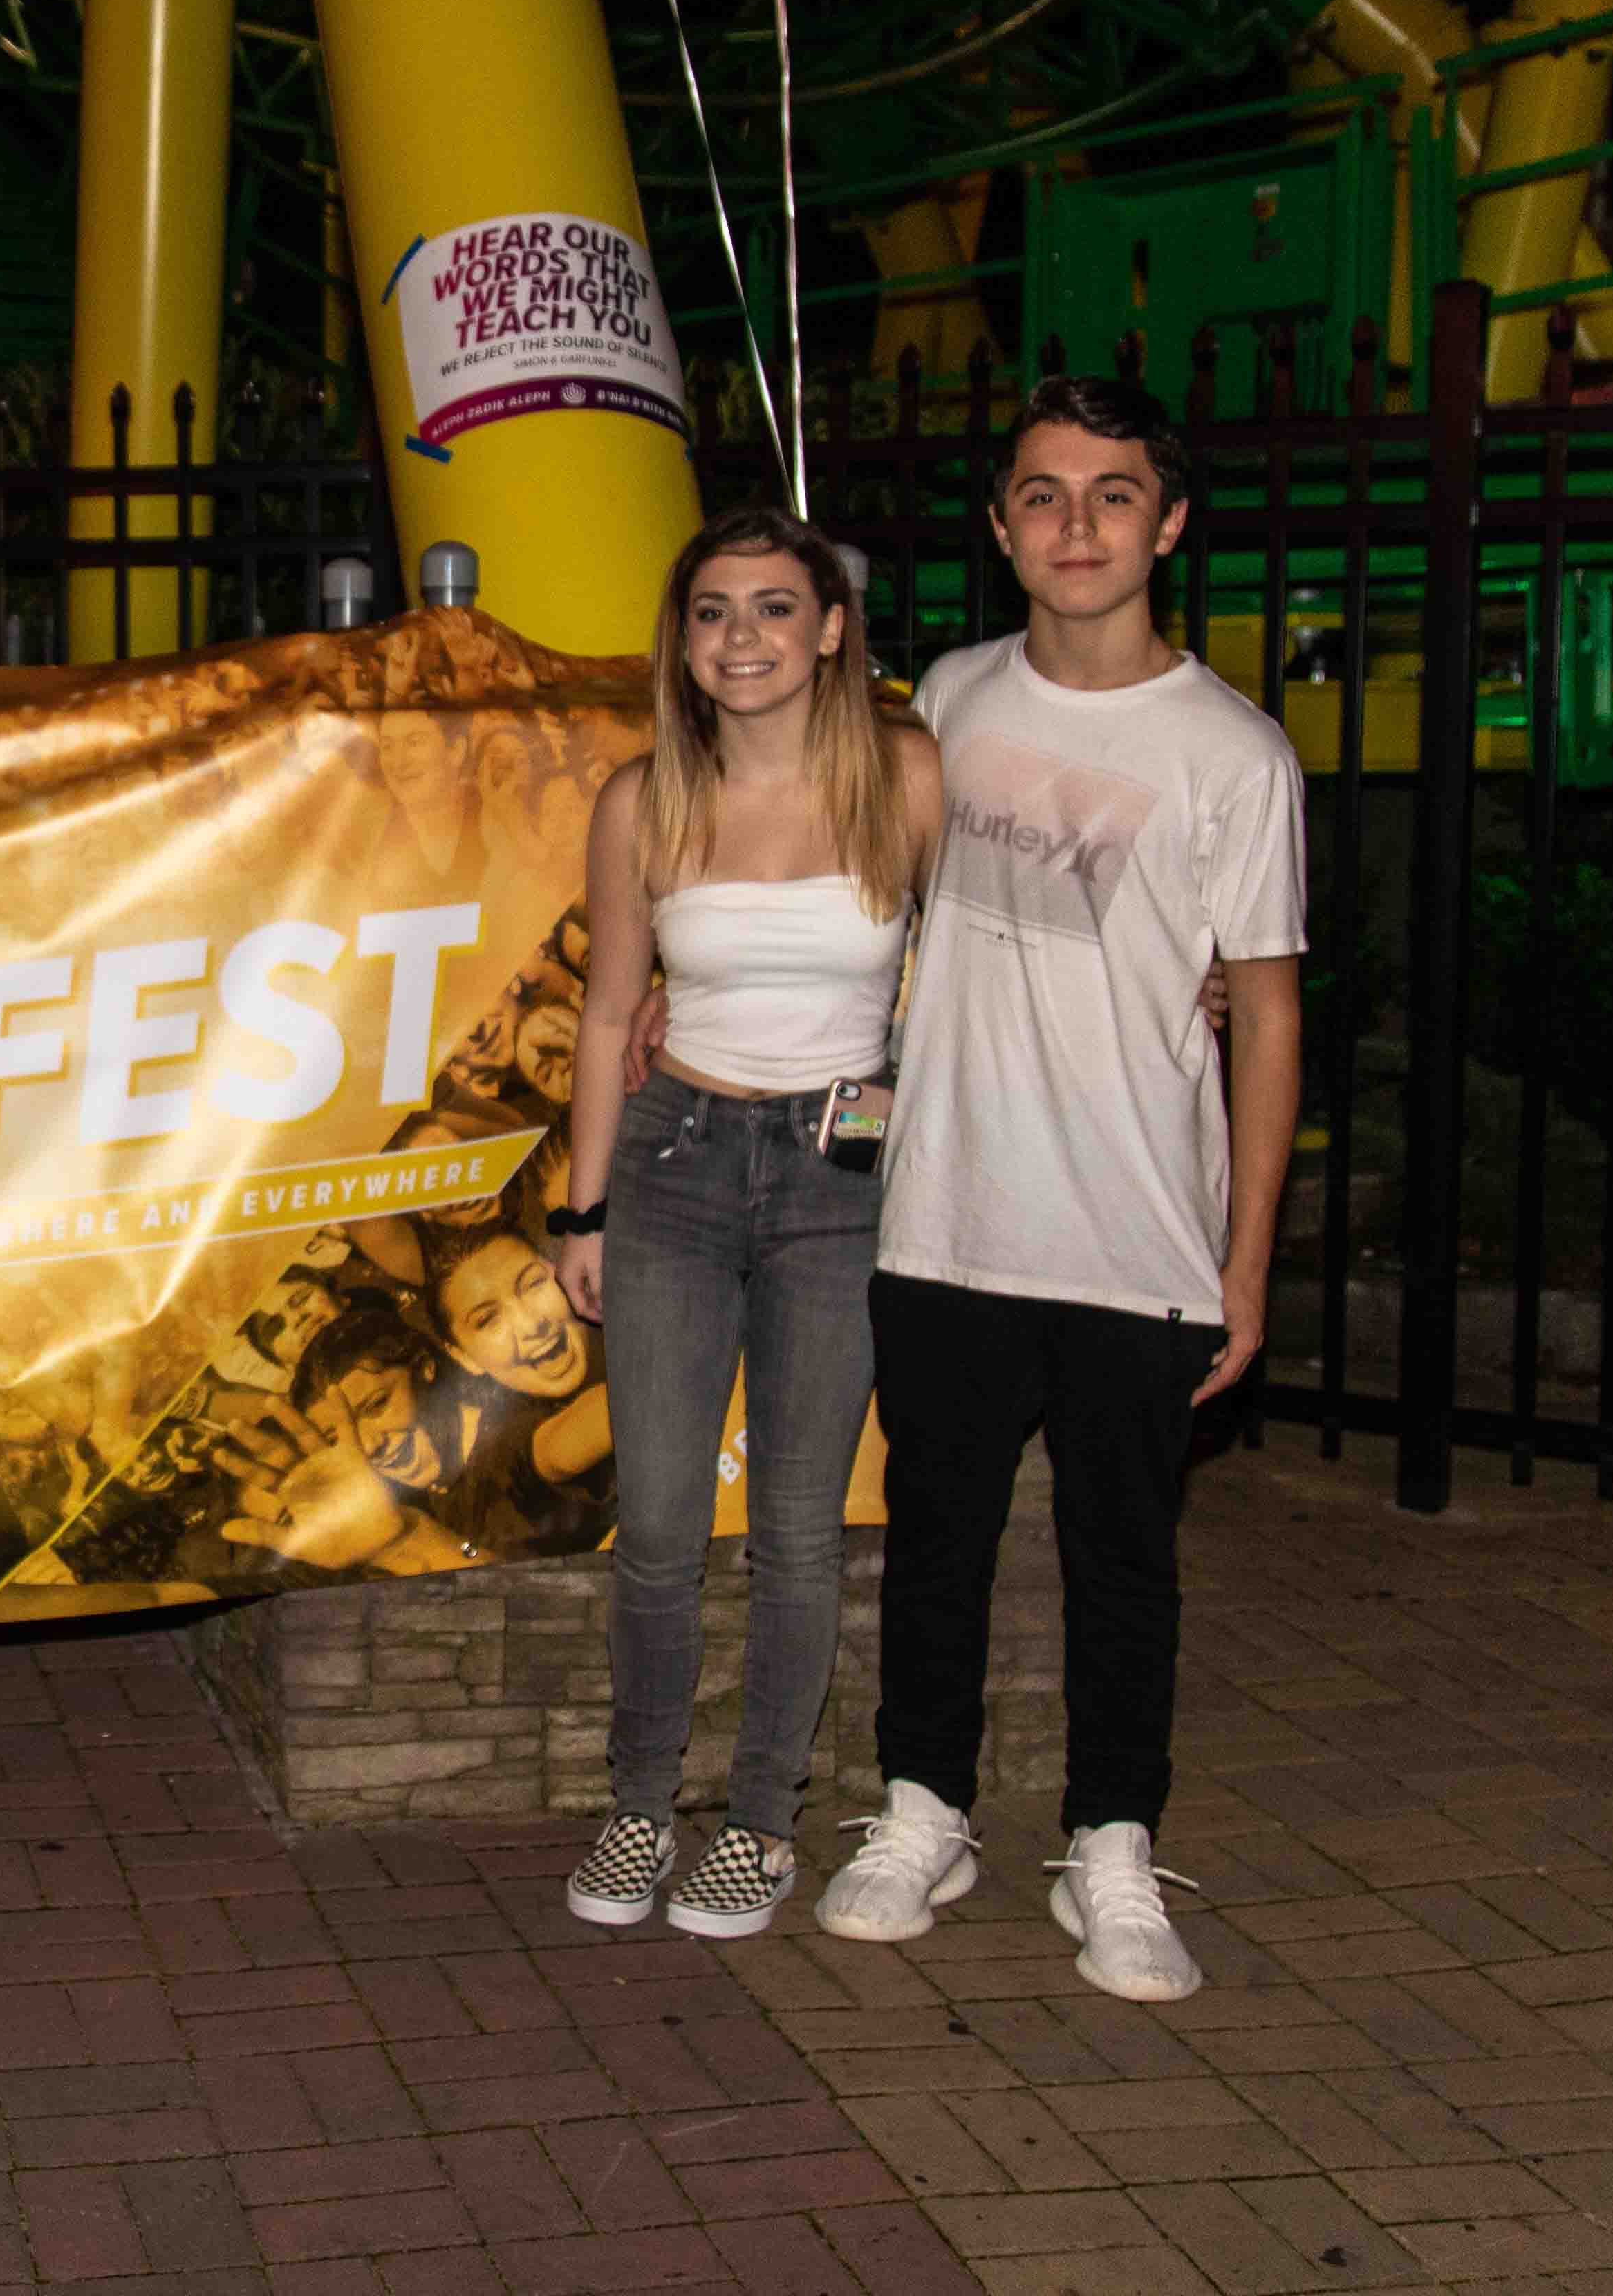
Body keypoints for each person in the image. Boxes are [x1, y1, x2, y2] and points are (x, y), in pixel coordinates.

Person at [810, 375, 1305, 2003]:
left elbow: (1268, 1011)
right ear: (1002, 525)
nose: (1076, 523)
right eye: (1043, 493)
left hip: (1139, 1234)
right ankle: (923, 1808)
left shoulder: (1236, 753)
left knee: (1125, 1562)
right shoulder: (947, 697)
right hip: (947, 1214)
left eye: (1113, 493)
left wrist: (1246, 1264)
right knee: (934, 1542)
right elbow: (863, 909)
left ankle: (1113, 1842)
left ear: (1169, 524)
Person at [549, 512, 935, 1941]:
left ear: (831, 629)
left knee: (795, 1531)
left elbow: (983, 964)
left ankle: (762, 1821)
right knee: (658, 1523)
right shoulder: (642, 799)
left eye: (777, 607)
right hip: (678, 1164)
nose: (744, 637)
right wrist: (583, 1208)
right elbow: (609, 1014)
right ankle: (640, 1802)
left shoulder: (906, 775)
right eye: (714, 611)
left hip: (841, 1179)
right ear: (684, 639)